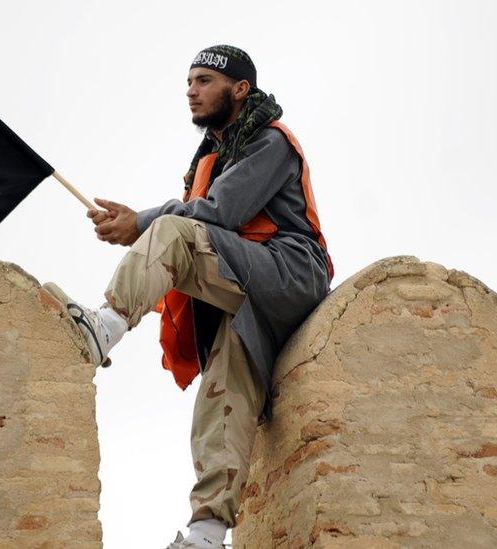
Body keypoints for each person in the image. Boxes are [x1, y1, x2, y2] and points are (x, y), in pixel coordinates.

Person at [44, 45, 334, 549]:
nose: (191, 91)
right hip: (249, 286)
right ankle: (207, 533)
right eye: (188, 82)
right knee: (223, 394)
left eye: (203, 81)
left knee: (176, 231)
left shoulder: (270, 142)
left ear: (240, 89)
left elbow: (219, 211)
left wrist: (140, 222)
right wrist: (138, 224)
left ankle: (104, 327)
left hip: (289, 272)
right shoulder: (213, 155)